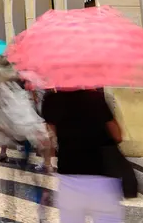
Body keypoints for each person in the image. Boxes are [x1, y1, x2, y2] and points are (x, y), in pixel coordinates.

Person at [42, 88, 126, 223]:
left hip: (69, 178)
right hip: (102, 178)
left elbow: (50, 140)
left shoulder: (52, 100)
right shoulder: (95, 98)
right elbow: (118, 136)